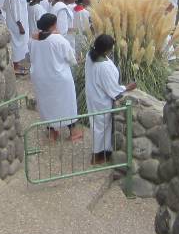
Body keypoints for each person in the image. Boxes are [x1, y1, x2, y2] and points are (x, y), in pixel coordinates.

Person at [28, 12, 82, 142]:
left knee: (46, 104)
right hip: (59, 78)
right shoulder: (59, 40)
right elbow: (72, 60)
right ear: (53, 25)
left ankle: (52, 133)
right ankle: (73, 132)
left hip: (40, 77)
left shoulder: (32, 40)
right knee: (66, 104)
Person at [85, 34, 135, 164]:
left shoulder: (90, 55)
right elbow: (112, 89)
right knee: (100, 128)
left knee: (98, 126)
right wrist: (127, 87)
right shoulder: (103, 67)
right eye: (111, 48)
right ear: (107, 50)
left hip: (93, 95)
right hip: (101, 99)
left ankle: (103, 153)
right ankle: (95, 157)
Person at [4, 0, 30, 75]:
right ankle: (14, 67)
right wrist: (20, 25)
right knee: (16, 44)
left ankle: (17, 64)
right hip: (16, 23)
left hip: (22, 22)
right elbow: (15, 11)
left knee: (21, 44)